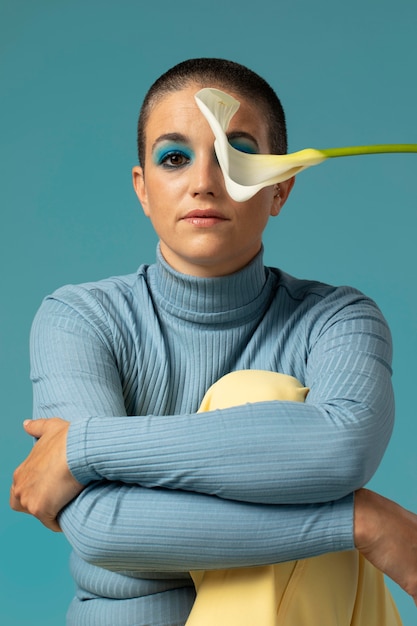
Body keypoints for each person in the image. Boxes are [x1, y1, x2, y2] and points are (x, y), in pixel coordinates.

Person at [10, 58, 417, 626]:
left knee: (256, 390)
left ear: (279, 189)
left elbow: (343, 447)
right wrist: (356, 523)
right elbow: (100, 527)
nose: (204, 181)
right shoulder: (82, 317)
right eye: (173, 158)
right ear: (143, 189)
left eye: (237, 154)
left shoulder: (337, 318)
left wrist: (84, 448)